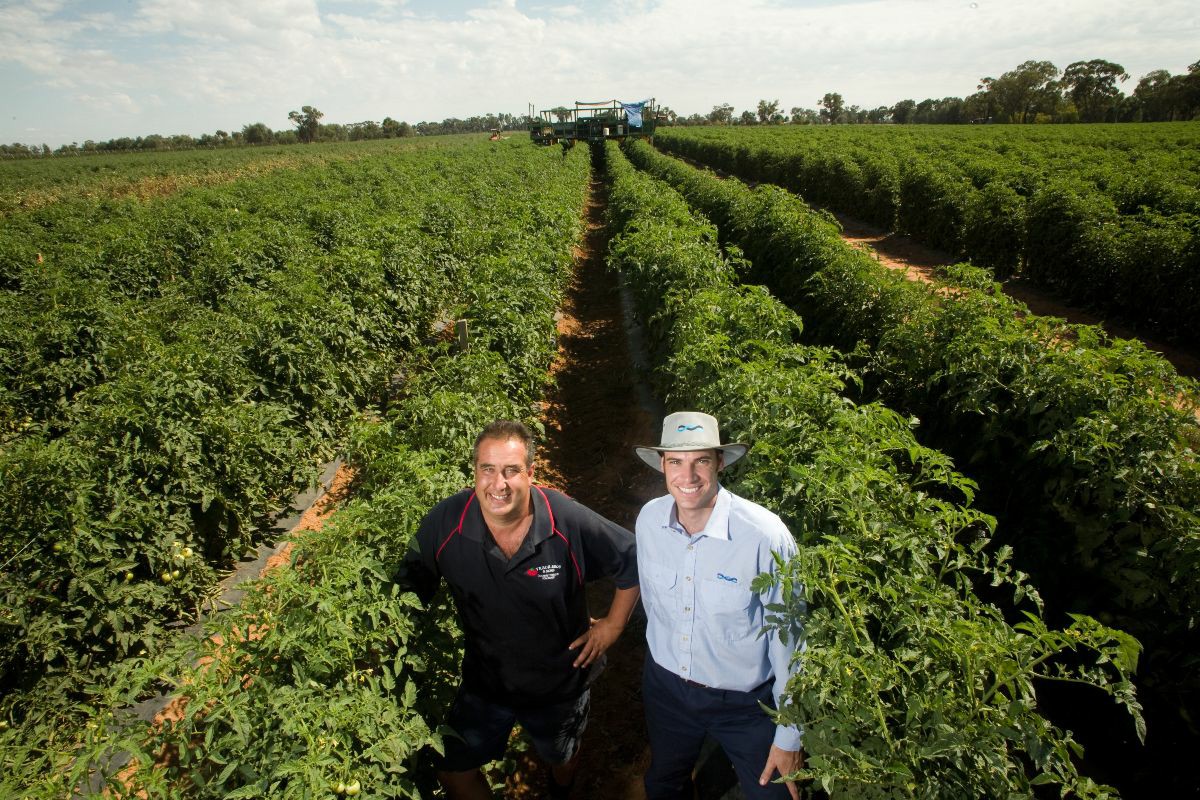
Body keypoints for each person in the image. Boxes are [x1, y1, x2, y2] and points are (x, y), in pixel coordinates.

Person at [401, 420, 640, 800]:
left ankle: (560, 787)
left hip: (560, 682)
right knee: (453, 768)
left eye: (512, 470)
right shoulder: (445, 524)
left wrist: (611, 626)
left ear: (531, 473)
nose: (499, 484)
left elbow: (632, 557)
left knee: (561, 755)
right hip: (486, 683)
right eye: (488, 469)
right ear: (475, 472)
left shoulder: (565, 520)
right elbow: (404, 594)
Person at [633, 411, 804, 800]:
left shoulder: (765, 537)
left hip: (745, 704)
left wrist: (790, 734)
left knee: (774, 794)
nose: (688, 476)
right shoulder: (648, 521)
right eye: (676, 462)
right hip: (666, 690)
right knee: (664, 782)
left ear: (720, 462)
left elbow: (790, 642)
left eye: (701, 461)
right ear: (662, 464)